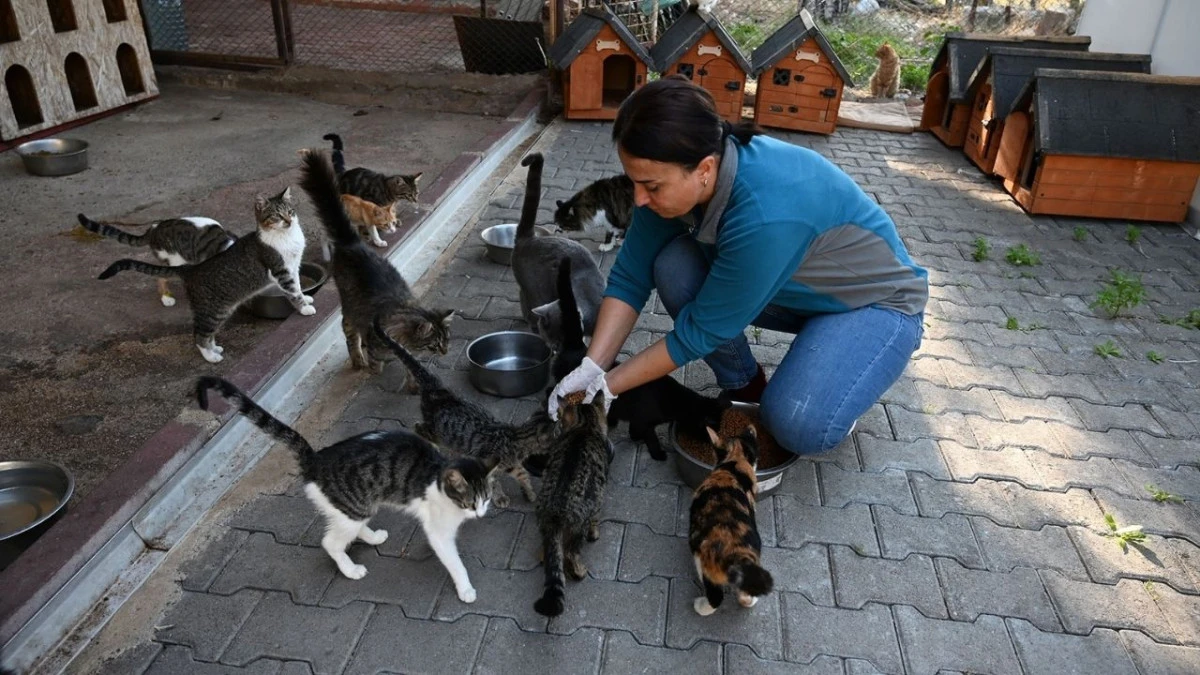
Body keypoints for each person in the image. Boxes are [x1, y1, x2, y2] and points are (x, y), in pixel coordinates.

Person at [547, 76, 928, 455]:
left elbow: (697, 334)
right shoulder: (670, 174)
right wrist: (590, 367)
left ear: (705, 169)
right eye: (635, 183)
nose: (640, 199)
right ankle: (746, 385)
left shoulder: (764, 214)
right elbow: (630, 278)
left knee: (798, 424)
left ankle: (837, 385)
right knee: (673, 266)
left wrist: (609, 387)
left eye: (652, 186)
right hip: (792, 287)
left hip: (875, 305)